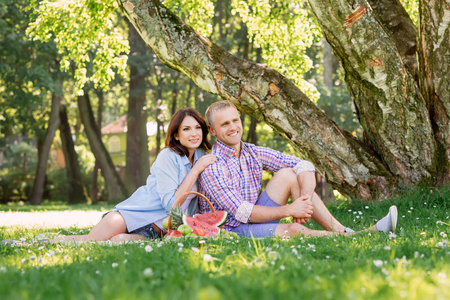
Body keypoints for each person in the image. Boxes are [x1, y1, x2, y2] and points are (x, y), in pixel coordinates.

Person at [199, 101, 397, 238]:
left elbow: (303, 165)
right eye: (225, 124)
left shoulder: (251, 151)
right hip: (232, 229)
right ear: (213, 130)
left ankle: (341, 230)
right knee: (293, 230)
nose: (233, 127)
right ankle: (361, 236)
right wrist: (290, 210)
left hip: (253, 219)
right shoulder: (212, 165)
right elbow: (243, 213)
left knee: (289, 174)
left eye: (235, 120)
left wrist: (304, 199)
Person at [51, 108, 216, 243]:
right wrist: (195, 171)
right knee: (89, 241)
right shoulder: (168, 156)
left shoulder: (203, 156)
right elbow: (171, 207)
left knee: (117, 242)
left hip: (155, 230)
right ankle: (40, 242)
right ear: (176, 135)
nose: (194, 133)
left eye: (197, 127)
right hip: (130, 215)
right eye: (186, 129)